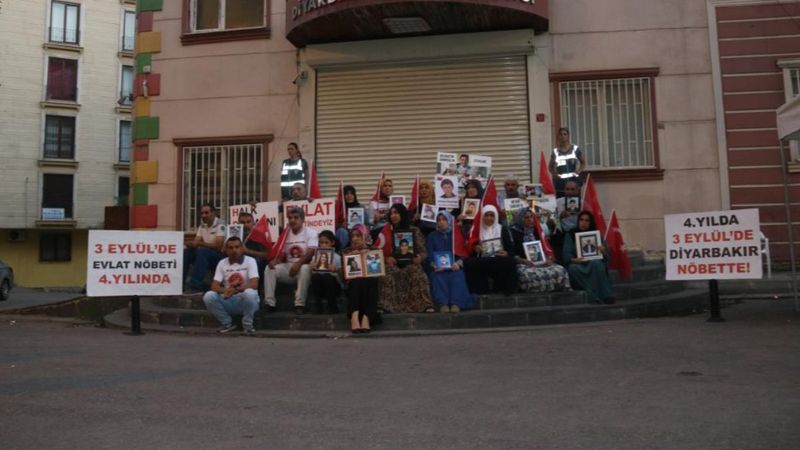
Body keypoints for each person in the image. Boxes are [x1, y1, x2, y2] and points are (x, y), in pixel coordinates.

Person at [379, 204, 435, 313]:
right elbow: (377, 251)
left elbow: (423, 251)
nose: (393, 216)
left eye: (396, 213)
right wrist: (386, 259)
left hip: (410, 263)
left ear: (403, 214)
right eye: (391, 214)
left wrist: (419, 258)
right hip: (392, 264)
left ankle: (424, 305)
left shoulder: (414, 230)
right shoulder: (385, 232)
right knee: (386, 273)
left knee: (417, 271)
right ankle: (385, 306)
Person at [264, 206, 317, 314]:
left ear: (302, 219)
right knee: (270, 268)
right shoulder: (285, 234)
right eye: (290, 218)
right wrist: (276, 260)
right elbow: (281, 253)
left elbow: (311, 252)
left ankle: (299, 304)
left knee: (305, 268)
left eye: (296, 217)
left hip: (304, 267)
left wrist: (298, 263)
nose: (292, 220)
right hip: (288, 268)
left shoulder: (311, 232)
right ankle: (270, 303)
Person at [202, 237, 260, 334]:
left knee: (250, 293)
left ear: (242, 248)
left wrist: (235, 290)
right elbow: (214, 286)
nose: (234, 250)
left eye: (237, 247)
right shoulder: (222, 263)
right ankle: (227, 324)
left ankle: (248, 326)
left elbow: (254, 283)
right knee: (208, 296)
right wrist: (225, 291)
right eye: (231, 248)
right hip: (228, 300)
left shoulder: (250, 261)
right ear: (226, 250)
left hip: (246, 301)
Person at [510, 208, 571, 293]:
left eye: (531, 217)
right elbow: (511, 252)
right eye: (526, 218)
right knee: (527, 274)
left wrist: (547, 258)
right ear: (520, 219)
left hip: (539, 261)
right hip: (523, 262)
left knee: (560, 270)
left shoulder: (535, 231)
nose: (530, 220)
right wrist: (522, 260)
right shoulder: (513, 232)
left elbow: (543, 248)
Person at [462, 205, 518, 296]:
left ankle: (504, 289)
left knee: (509, 261)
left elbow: (511, 248)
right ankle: (479, 290)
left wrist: (506, 253)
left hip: (498, 259)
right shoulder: (476, 230)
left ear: (495, 216)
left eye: (492, 215)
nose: (489, 218)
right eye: (486, 215)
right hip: (483, 259)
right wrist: (475, 248)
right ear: (482, 216)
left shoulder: (502, 229)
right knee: (469, 262)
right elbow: (470, 247)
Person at [426, 211, 475, 312]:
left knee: (458, 275)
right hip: (439, 267)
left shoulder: (456, 234)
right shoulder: (432, 236)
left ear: (449, 221)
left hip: (454, 266)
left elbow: (463, 253)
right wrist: (434, 264)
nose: (441, 222)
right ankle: (442, 303)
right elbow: (429, 253)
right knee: (437, 277)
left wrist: (458, 264)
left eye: (444, 219)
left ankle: (456, 303)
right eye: (439, 220)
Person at [563, 211, 613, 304]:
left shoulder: (596, 235)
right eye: (581, 220)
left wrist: (603, 251)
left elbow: (607, 256)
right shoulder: (570, 234)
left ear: (591, 223)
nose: (584, 223)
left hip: (593, 263)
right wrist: (574, 260)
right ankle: (594, 295)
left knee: (597, 264)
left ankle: (607, 295)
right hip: (578, 264)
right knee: (572, 268)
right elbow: (566, 255)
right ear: (578, 221)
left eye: (587, 220)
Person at [342, 224, 381, 333]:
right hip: (353, 287)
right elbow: (345, 276)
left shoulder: (373, 249)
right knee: (356, 280)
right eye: (352, 236)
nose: (355, 238)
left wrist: (368, 257)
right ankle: (354, 316)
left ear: (364, 236)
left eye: (358, 235)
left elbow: (377, 272)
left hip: (369, 287)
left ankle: (366, 318)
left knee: (370, 280)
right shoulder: (346, 252)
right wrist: (352, 258)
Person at [183, 203, 226, 293]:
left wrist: (200, 243)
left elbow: (219, 246)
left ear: (214, 213)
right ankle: (180, 284)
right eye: (202, 213)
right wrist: (190, 244)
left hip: (219, 257)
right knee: (187, 252)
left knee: (203, 251)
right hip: (206, 254)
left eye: (206, 213)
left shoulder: (221, 224)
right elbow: (196, 242)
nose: (203, 215)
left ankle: (194, 286)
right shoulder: (202, 226)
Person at [309, 230, 341, 315]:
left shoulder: (337, 258)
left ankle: (332, 305)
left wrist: (336, 270)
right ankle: (317, 306)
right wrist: (312, 267)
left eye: (326, 242)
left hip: (334, 288)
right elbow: (312, 273)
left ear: (332, 242)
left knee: (327, 276)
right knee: (315, 276)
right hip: (320, 288)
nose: (323, 245)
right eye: (321, 243)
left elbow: (342, 278)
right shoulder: (315, 257)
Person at [549, 127, 586, 197]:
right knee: (561, 204)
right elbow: (550, 167)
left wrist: (579, 171)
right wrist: (554, 174)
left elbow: (583, 162)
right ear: (558, 137)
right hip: (561, 184)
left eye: (565, 134)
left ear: (568, 136)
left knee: (574, 204)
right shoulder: (555, 151)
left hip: (574, 183)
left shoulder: (575, 149)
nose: (563, 136)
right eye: (561, 134)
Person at [336, 185, 364, 249]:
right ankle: (343, 252)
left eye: (351, 193)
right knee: (341, 231)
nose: (349, 196)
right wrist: (341, 225)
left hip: (358, 232)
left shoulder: (361, 208)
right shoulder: (338, 209)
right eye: (347, 194)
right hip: (345, 234)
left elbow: (368, 223)